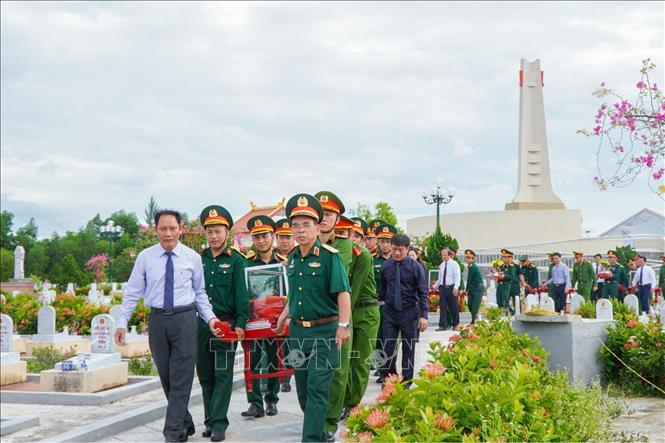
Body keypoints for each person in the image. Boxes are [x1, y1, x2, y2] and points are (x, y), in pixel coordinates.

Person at [115, 209, 220, 443]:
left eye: (173, 228)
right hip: (158, 320)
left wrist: (211, 319)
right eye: (163, 228)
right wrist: (122, 321)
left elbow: (200, 293)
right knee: (167, 377)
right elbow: (132, 292)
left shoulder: (192, 258)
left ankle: (172, 433)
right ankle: (185, 422)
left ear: (181, 229)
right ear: (156, 230)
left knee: (181, 377)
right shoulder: (145, 257)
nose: (168, 233)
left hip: (185, 320)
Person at [273, 193, 351, 443]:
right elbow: (295, 295)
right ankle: (319, 432)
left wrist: (343, 325)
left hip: (324, 332)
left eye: (307, 225)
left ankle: (312, 439)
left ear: (318, 227)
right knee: (304, 393)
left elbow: (343, 293)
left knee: (318, 389)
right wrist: (283, 317)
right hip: (298, 333)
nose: (301, 230)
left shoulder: (330, 257)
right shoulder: (293, 258)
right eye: (296, 225)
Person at [196, 205, 249, 442]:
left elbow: (242, 294)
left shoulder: (237, 261)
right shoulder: (198, 260)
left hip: (226, 325)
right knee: (205, 374)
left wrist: (241, 323)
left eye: (218, 231)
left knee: (223, 374)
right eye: (210, 232)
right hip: (201, 326)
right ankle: (209, 420)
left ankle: (219, 423)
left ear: (227, 232)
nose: (214, 236)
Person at [314, 192, 355, 441]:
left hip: (334, 317)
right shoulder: (304, 246)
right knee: (312, 375)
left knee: (337, 372)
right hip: (311, 321)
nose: (324, 219)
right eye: (321, 214)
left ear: (337, 219)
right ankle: (315, 420)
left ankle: (329, 422)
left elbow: (343, 287)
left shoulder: (342, 247)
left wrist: (345, 322)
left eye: (329, 214)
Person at [242, 215, 288, 419]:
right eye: (257, 237)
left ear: (273, 236)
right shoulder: (246, 264)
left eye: (265, 236)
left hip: (276, 319)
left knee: (273, 358)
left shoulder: (285, 264)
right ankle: (254, 403)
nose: (261, 241)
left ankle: (271, 399)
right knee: (250, 361)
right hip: (253, 319)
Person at [378, 234, 428, 385]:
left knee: (408, 347)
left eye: (400, 250)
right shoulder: (386, 266)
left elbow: (423, 292)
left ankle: (407, 380)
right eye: (394, 250)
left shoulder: (416, 267)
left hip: (409, 311)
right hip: (390, 312)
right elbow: (383, 288)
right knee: (387, 346)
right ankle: (390, 379)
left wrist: (423, 316)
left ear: (407, 249)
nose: (397, 253)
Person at [342, 217, 380, 419]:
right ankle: (345, 400)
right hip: (351, 310)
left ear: (364, 239)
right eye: (351, 234)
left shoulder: (363, 255)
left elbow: (353, 291)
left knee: (360, 361)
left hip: (365, 312)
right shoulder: (342, 254)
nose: (353, 238)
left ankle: (352, 404)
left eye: (357, 235)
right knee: (345, 360)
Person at [372, 223, 396, 382]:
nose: (385, 244)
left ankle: (389, 371)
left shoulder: (399, 260)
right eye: (382, 241)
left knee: (392, 341)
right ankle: (382, 370)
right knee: (379, 339)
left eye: (388, 241)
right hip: (377, 305)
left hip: (394, 306)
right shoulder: (372, 260)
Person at [274, 217, 295, 393]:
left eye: (288, 237)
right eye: (281, 237)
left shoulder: (299, 256)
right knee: (276, 346)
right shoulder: (273, 260)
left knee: (291, 344)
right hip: (275, 309)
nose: (285, 241)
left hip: (295, 309)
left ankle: (288, 376)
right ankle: (280, 377)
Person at [433, 248, 461, 331]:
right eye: (442, 255)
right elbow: (440, 278)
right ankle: (443, 325)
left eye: (445, 255)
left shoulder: (454, 264)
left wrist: (456, 287)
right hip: (443, 288)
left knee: (453, 307)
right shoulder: (442, 265)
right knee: (443, 307)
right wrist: (435, 286)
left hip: (451, 287)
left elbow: (457, 277)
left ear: (449, 255)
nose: (443, 256)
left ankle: (456, 324)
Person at [464, 249, 484, 324]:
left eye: (469, 258)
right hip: (473, 288)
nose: (467, 259)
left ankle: (473, 321)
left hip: (477, 288)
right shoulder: (470, 266)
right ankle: (476, 317)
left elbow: (470, 278)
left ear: (473, 259)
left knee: (475, 305)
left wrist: (466, 290)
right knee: (470, 305)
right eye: (467, 258)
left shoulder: (473, 267)